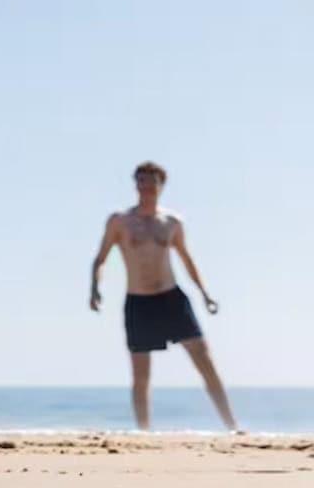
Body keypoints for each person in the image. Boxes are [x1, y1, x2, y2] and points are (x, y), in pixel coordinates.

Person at [89, 161, 238, 431]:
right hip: (139, 302)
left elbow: (186, 259)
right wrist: (95, 288)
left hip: (171, 299)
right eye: (141, 181)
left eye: (151, 181)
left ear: (161, 186)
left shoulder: (172, 223)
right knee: (141, 372)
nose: (145, 186)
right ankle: (144, 432)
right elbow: (100, 259)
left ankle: (232, 426)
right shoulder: (120, 221)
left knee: (204, 360)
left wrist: (204, 293)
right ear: (135, 184)